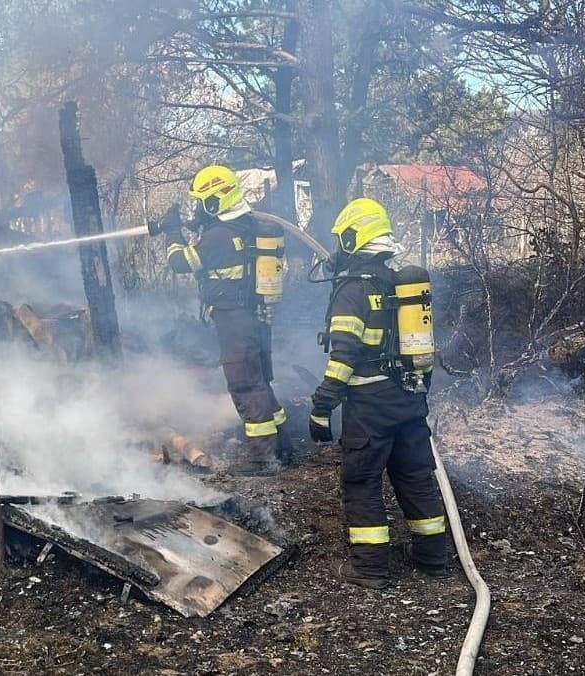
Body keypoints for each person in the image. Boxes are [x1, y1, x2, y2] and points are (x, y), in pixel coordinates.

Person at [308, 197, 449, 588]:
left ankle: (370, 568)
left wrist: (322, 407)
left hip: (369, 407)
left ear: (353, 239)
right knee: (415, 477)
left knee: (362, 482)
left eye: (342, 239)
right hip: (409, 399)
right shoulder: (401, 284)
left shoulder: (353, 291)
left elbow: (343, 358)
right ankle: (433, 559)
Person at [154, 165, 293, 475]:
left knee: (245, 385)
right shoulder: (246, 225)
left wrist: (172, 231)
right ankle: (283, 448)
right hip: (255, 317)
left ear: (216, 201)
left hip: (235, 320)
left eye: (202, 202)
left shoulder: (218, 237)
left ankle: (263, 459)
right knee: (259, 381)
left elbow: (179, 262)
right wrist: (195, 222)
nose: (199, 207)